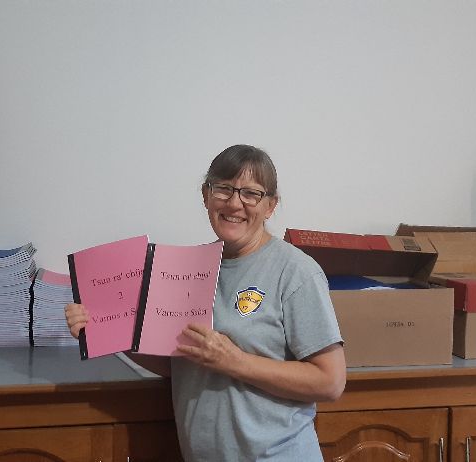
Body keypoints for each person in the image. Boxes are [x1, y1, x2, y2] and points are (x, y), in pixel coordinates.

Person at [65, 144, 345, 461]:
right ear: (206, 195)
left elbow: (330, 382)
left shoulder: (296, 272)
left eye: (251, 193)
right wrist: (107, 332)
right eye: (223, 189)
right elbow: (179, 364)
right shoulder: (187, 267)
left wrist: (235, 361)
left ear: (270, 206)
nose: (235, 203)